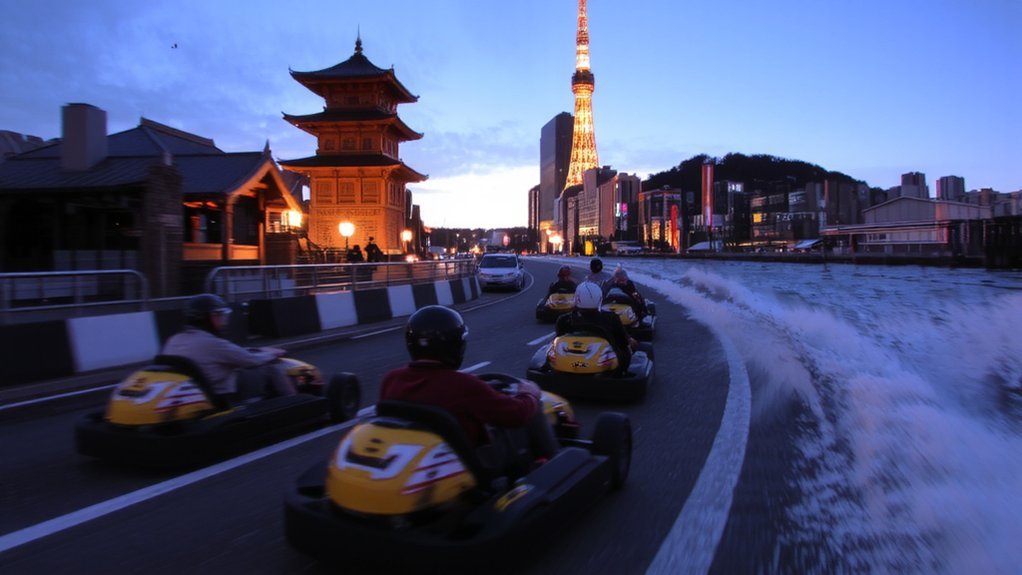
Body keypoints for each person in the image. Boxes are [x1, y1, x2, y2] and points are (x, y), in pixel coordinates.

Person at [380, 305, 559, 466]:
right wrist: (529, 394)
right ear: (455, 345)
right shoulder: (464, 386)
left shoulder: (391, 379)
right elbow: (517, 414)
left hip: (415, 461)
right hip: (470, 465)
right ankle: (552, 467)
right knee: (529, 415)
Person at [161, 293, 296, 404]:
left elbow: (233, 353)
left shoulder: (174, 340)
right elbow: (251, 360)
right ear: (209, 318)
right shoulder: (212, 343)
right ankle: (294, 403)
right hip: (221, 393)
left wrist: (259, 350)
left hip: (193, 393)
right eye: (219, 316)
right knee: (270, 368)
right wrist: (273, 354)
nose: (222, 321)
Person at [555, 281, 637, 372]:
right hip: (601, 366)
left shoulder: (564, 319)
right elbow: (622, 342)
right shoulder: (611, 318)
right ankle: (623, 373)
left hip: (569, 363)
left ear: (577, 298)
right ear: (600, 298)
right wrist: (630, 341)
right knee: (625, 349)